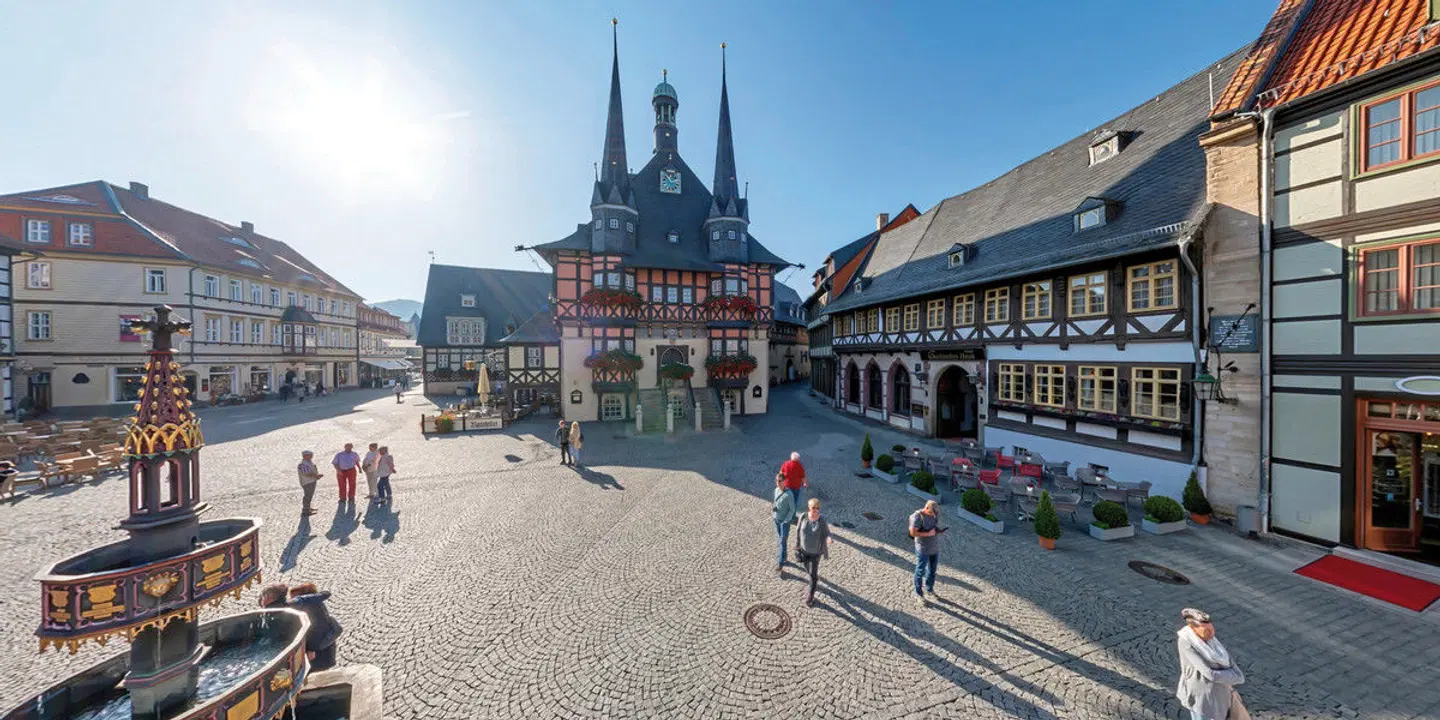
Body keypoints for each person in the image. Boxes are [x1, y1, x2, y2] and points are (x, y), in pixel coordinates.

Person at [1176, 608, 1246, 720]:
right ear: (1193, 628)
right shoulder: (1186, 642)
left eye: (1211, 628)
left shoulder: (1212, 641)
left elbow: (1229, 660)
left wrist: (1236, 674)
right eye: (1206, 630)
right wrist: (1235, 676)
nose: (1212, 633)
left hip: (1221, 696)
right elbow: (1210, 673)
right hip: (1202, 698)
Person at [288, 582, 343, 671]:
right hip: (323, 647)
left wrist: (311, 649)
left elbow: (316, 630)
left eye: (294, 598)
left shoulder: (310, 610)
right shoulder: (315, 604)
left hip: (318, 651)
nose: (292, 600)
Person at [793, 498, 831, 607]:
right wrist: (797, 545)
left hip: (815, 553)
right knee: (808, 570)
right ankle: (813, 578)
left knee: (812, 575)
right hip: (804, 550)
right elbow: (798, 530)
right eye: (814, 507)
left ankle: (810, 595)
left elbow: (827, 532)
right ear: (809, 507)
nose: (816, 510)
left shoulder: (822, 520)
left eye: (818, 508)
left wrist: (829, 538)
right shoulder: (803, 516)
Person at [909, 500, 945, 605]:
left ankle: (929, 589)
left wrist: (939, 530)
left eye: (935, 514)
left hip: (934, 548)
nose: (933, 515)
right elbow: (913, 533)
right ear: (927, 508)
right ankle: (918, 593)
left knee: (932, 570)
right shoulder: (917, 517)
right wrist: (929, 534)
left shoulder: (934, 514)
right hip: (923, 549)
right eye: (931, 513)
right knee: (920, 571)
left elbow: (934, 526)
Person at [771, 472, 796, 576]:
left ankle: (780, 563)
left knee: (782, 541)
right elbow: (776, 502)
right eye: (776, 481)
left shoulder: (789, 494)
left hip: (784, 522)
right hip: (776, 519)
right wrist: (774, 508)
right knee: (781, 540)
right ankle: (785, 556)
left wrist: (787, 520)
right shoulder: (776, 490)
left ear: (785, 481)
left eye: (779, 481)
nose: (777, 483)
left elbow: (792, 509)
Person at [296, 451, 323, 515]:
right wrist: (316, 476)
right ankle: (305, 510)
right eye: (310, 455)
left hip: (311, 481)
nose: (311, 456)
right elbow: (307, 473)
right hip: (307, 482)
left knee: (309, 496)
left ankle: (308, 508)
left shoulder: (309, 462)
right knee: (307, 496)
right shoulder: (303, 464)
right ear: (304, 456)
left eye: (311, 455)